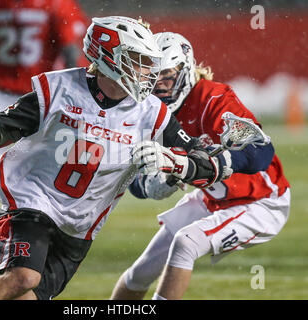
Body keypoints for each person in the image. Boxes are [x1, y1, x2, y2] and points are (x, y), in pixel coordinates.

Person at [0, 16, 233, 300]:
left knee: (25, 297)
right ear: (110, 59)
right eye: (138, 62)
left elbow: (202, 159)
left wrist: (178, 164)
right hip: (32, 203)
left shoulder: (152, 113)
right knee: (23, 277)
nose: (147, 72)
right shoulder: (57, 89)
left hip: (79, 226)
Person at [110, 32, 291, 300]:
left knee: (187, 242)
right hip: (212, 198)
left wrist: (219, 163)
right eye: (151, 75)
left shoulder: (213, 98)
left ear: (185, 71)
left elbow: (261, 151)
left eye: (166, 75)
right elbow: (131, 178)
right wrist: (150, 185)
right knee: (141, 272)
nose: (158, 85)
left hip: (259, 201)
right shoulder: (147, 110)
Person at [0, 0, 88, 254]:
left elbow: (69, 50)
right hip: (1, 90)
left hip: (39, 94)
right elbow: (70, 51)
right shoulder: (52, 4)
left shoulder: (49, 4)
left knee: (45, 164)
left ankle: (44, 228)